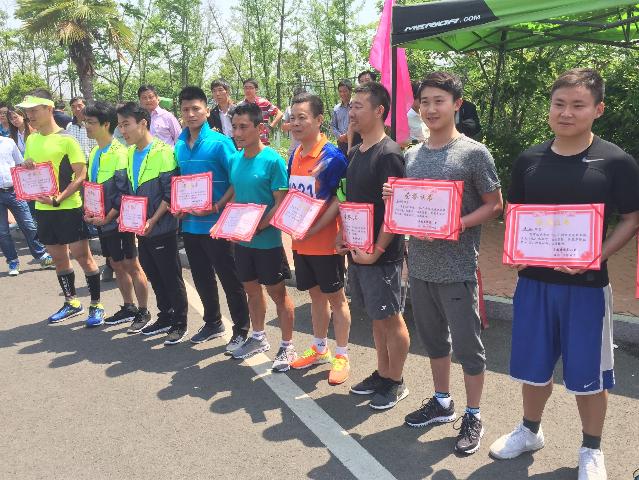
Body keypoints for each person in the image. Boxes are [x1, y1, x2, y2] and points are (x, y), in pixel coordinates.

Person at [489, 68, 639, 479]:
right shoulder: (529, 160)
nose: (566, 113)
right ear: (550, 107)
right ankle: (529, 430)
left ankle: (591, 449)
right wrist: (515, 250)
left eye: (577, 105)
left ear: (598, 109)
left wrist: (597, 256)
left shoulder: (615, 161)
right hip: (534, 284)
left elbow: (632, 218)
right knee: (533, 367)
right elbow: (515, 213)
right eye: (559, 104)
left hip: (587, 287)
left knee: (590, 375)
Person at [384, 72, 502, 455]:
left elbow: (495, 205)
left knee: (468, 347)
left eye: (439, 100)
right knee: (434, 340)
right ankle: (442, 401)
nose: (431, 108)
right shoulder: (412, 155)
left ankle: (473, 413)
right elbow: (408, 208)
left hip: (457, 269)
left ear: (457, 104)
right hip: (419, 267)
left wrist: (456, 223)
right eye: (425, 102)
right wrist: (393, 197)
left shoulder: (474, 153)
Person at [342, 82, 410, 410]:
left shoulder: (390, 153)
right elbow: (354, 202)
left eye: (358, 106)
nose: (351, 112)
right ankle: (383, 373)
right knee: (376, 317)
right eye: (350, 106)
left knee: (392, 317)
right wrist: (346, 237)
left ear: (379, 110)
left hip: (382, 256)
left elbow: (395, 210)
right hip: (359, 251)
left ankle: (396, 381)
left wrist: (377, 251)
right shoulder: (355, 152)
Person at [17, 89, 104, 326]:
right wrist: (27, 165)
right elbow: (32, 170)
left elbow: (81, 174)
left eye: (34, 110)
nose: (30, 115)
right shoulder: (32, 139)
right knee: (59, 259)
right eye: (27, 111)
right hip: (43, 209)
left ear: (49, 109)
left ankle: (96, 305)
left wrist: (59, 198)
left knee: (83, 258)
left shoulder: (67, 139)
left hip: (69, 208)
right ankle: (71, 302)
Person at [172, 86, 250, 350]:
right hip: (191, 225)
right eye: (186, 109)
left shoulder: (220, 143)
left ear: (207, 111)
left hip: (218, 225)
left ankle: (241, 328)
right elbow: (181, 183)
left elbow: (237, 180)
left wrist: (217, 206)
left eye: (196, 108)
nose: (191, 114)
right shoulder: (179, 145)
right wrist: (179, 206)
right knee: (201, 277)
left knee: (230, 279)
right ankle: (213, 322)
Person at [285, 92, 351, 385]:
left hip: (326, 244)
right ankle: (320, 347)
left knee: (337, 299)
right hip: (300, 243)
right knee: (315, 297)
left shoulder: (333, 157)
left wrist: (319, 230)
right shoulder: (294, 155)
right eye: (293, 118)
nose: (296, 123)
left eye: (303, 117)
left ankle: (342, 354)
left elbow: (341, 199)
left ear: (319, 120)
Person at [226, 102, 296, 372]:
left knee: (278, 294)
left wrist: (260, 227)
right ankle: (258, 337)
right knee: (251, 291)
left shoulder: (273, 160)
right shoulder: (235, 159)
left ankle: (287, 345)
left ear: (259, 127)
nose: (237, 133)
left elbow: (281, 202)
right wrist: (225, 220)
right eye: (234, 127)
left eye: (243, 127)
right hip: (242, 242)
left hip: (267, 243)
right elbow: (236, 192)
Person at [116, 102, 189, 344]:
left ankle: (180, 322)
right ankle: (165, 315)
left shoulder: (163, 151)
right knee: (153, 273)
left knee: (170, 276)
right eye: (120, 125)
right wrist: (128, 216)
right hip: (141, 227)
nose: (122, 131)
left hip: (161, 226)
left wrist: (153, 219)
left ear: (143, 123)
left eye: (126, 124)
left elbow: (170, 193)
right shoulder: (129, 153)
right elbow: (130, 191)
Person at [83, 101, 151, 328]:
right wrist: (90, 211)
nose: (86, 126)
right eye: (85, 122)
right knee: (115, 263)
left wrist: (108, 217)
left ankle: (143, 311)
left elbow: (123, 192)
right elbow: (93, 187)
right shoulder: (95, 151)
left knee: (131, 264)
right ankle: (128, 307)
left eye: (91, 122)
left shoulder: (120, 153)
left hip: (118, 221)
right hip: (102, 221)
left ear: (106, 124)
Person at [0, 134, 52, 275]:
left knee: (29, 225)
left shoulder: (8, 142)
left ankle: (42, 256)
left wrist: (29, 165)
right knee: (2, 232)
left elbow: (21, 163)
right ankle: (13, 261)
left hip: (14, 190)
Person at [238, 78, 283, 146]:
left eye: (250, 88)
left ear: (256, 89)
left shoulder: (263, 103)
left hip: (262, 141)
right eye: (245, 88)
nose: (248, 90)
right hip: (246, 141)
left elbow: (279, 114)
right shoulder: (240, 105)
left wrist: (270, 127)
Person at [348, 71, 377, 151]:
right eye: (361, 81)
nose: (364, 83)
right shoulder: (354, 101)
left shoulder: (380, 100)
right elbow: (351, 125)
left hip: (375, 141)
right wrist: (349, 148)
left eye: (367, 80)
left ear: (374, 82)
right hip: (358, 141)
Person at [281, 87, 306, 157]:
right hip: (293, 150)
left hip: (309, 149)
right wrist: (294, 125)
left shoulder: (310, 109)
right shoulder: (289, 109)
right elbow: (283, 127)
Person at [330, 80, 352, 155]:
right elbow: (333, 126)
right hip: (341, 143)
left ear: (350, 91)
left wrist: (348, 136)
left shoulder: (356, 106)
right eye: (340, 91)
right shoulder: (336, 109)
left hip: (355, 142)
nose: (342, 94)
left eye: (345, 91)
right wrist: (340, 136)